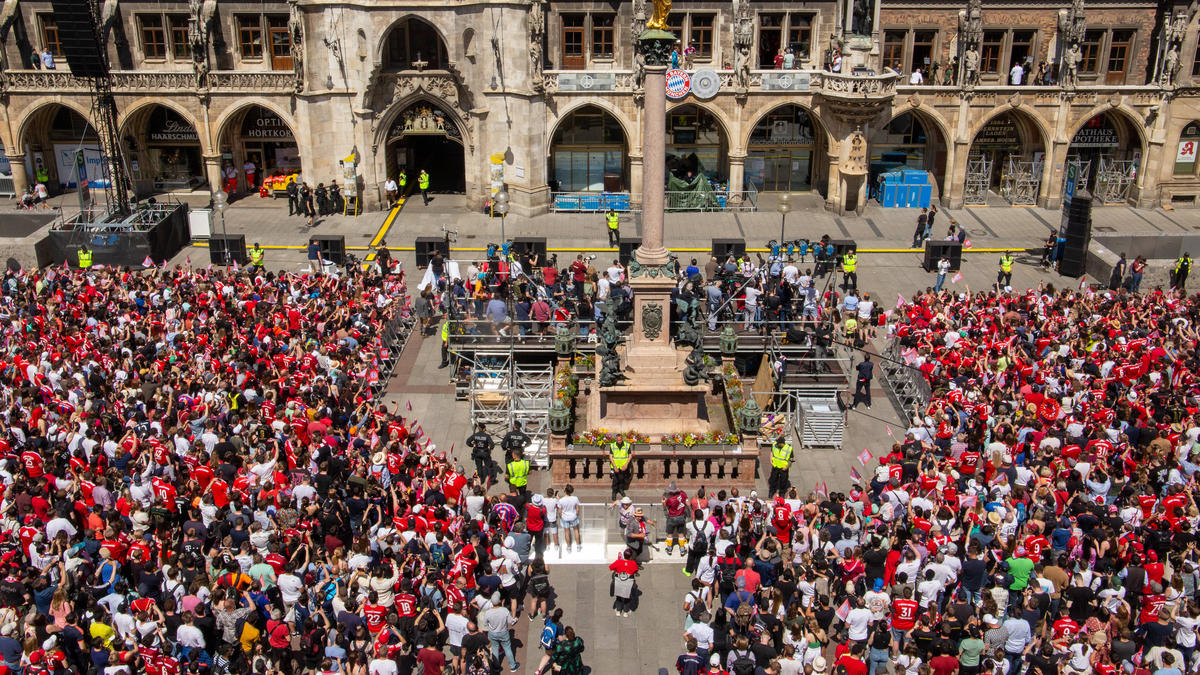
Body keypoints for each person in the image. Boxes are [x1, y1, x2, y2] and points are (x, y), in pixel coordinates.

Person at [609, 548, 639, 617]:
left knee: (618, 597)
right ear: (631, 556)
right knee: (627, 597)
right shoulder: (633, 563)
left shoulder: (618, 562)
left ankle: (618, 611)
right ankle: (626, 612)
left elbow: (610, 567)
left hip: (619, 582)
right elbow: (636, 571)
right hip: (628, 583)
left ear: (624, 555)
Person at [608, 436, 633, 500]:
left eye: (620, 440)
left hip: (623, 466)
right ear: (616, 439)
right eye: (618, 440)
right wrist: (614, 466)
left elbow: (630, 455)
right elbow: (610, 456)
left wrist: (626, 464)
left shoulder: (627, 445)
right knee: (615, 479)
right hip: (615, 465)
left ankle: (621, 490)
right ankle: (614, 491)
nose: (619, 441)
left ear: (622, 439)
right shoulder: (612, 445)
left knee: (622, 479)